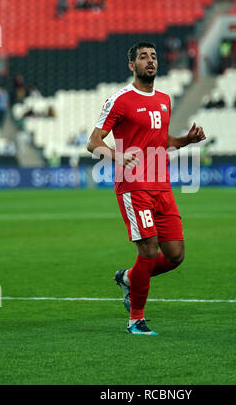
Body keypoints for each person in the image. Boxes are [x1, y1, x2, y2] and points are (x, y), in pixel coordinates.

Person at [87, 41, 206, 336]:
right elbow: (93, 142)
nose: (150, 61)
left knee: (176, 254)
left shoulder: (164, 99)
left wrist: (185, 142)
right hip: (134, 186)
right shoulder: (120, 100)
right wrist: (117, 155)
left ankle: (129, 277)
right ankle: (135, 321)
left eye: (153, 56)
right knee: (149, 251)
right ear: (132, 65)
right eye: (143, 57)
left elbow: (160, 141)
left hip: (162, 186)